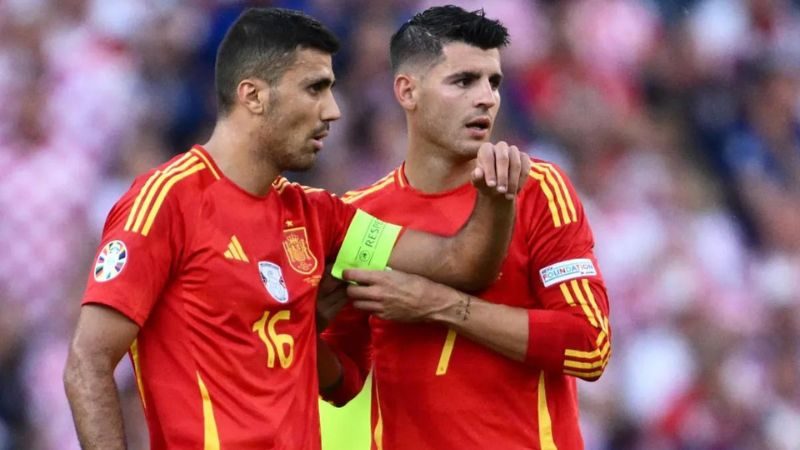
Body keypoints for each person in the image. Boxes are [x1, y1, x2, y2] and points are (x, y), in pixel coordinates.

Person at [62, 7, 531, 450]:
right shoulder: (167, 202)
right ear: (253, 96)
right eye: (315, 88)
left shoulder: (316, 215)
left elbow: (460, 263)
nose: (333, 110)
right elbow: (87, 362)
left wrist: (497, 197)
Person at [319, 6, 611, 450]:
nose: (487, 98)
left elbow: (589, 345)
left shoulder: (536, 190)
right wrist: (297, 329)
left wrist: (443, 305)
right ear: (407, 91)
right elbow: (341, 381)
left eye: (493, 81)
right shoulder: (359, 215)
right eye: (463, 81)